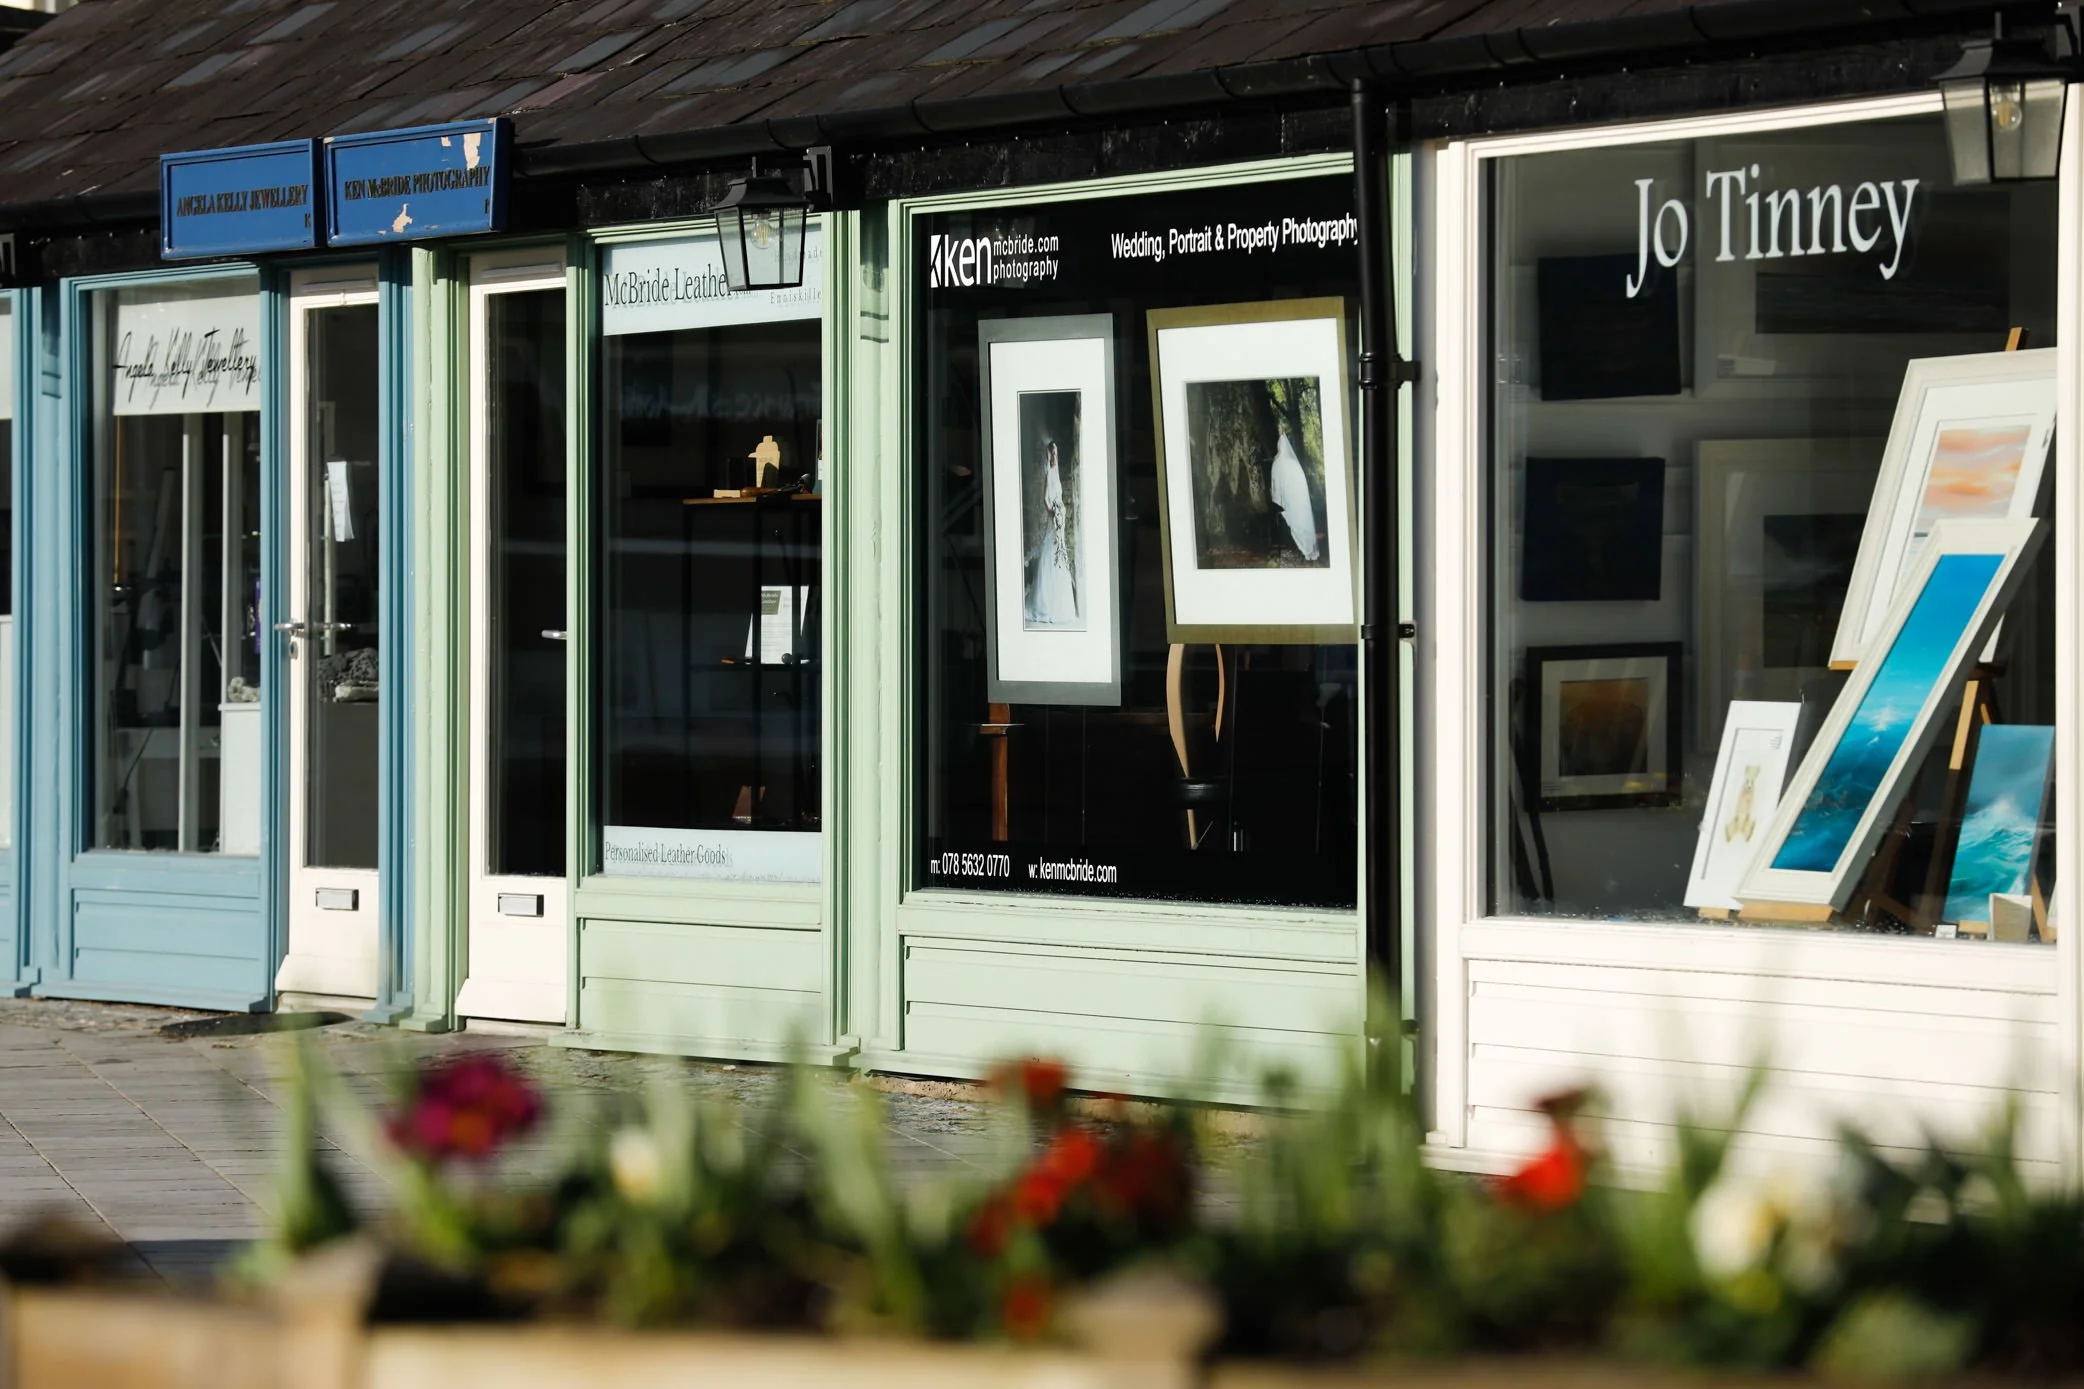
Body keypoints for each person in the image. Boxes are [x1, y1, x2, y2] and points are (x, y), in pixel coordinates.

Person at [1026, 440, 1082, 626]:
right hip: (1054, 519)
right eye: (1052, 454)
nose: (1054, 457)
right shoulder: (1048, 473)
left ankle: (1062, 606)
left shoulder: (1056, 472)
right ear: (1049, 455)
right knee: (1050, 558)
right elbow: (1045, 498)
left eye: (1056, 454)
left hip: (1059, 521)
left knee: (1061, 559)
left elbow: (1058, 496)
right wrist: (1052, 511)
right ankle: (1044, 606)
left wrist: (1061, 510)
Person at [1269, 420, 1319, 563]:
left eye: (1279, 427)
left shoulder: (1283, 440)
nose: (1278, 429)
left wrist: (1275, 458)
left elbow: (1280, 454)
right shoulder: (1282, 439)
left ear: (1282, 429)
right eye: (1278, 427)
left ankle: (1306, 545)